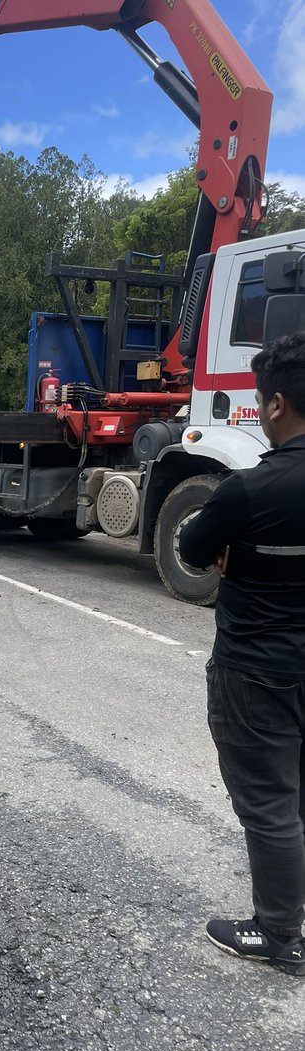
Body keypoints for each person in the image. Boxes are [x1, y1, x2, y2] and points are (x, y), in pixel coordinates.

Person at [179, 332, 305, 977]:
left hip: (257, 670)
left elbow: (194, 552)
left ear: (276, 404)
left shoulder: (250, 490)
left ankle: (280, 935)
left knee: (268, 804)